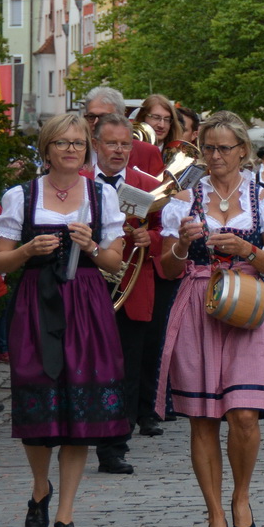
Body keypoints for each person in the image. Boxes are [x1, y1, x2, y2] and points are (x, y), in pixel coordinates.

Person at [0, 113, 129, 527]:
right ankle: (39, 487)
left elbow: (115, 264)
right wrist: (29, 249)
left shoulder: (102, 196)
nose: (70, 150)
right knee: (37, 401)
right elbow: (0, 260)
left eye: (77, 143)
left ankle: (66, 514)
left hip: (86, 304)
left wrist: (90, 246)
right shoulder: (22, 195)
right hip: (36, 302)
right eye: (62, 143)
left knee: (80, 407)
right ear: (46, 148)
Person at [155, 112, 264, 527]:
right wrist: (179, 243)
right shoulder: (182, 200)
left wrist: (247, 248)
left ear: (242, 151)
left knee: (245, 414)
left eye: (223, 148)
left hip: (248, 306)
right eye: (207, 148)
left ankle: (241, 496)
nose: (214, 156)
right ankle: (214, 512)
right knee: (203, 418)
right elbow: (167, 267)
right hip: (197, 305)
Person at [89, 113, 167, 474]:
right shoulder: (79, 182)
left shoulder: (145, 185)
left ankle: (115, 446)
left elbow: (165, 234)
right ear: (96, 145)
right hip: (86, 286)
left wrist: (146, 238)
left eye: (125, 144)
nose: (119, 150)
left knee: (126, 368)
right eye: (112, 143)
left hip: (130, 287)